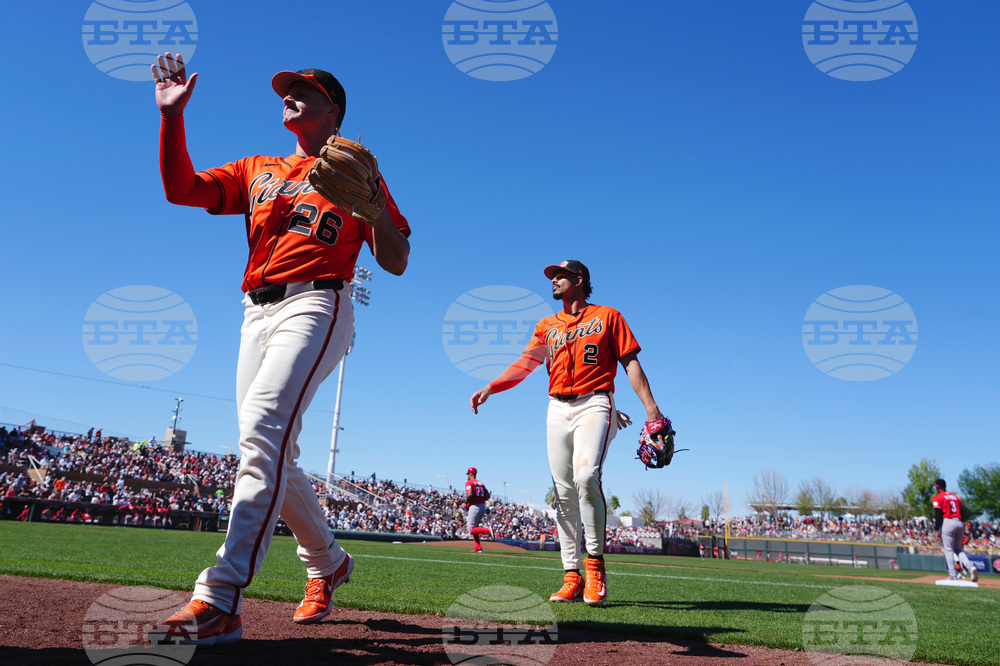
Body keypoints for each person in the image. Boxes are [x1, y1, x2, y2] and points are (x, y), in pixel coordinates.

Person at [148, 53, 411, 646]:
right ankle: (328, 561)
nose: (288, 96)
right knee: (271, 448)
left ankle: (220, 598)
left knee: (264, 428)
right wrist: (171, 118)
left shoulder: (358, 172)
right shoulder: (258, 168)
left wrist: (374, 211)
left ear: (333, 110)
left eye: (303, 90)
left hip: (317, 303)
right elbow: (181, 190)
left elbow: (396, 261)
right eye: (286, 90)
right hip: (255, 310)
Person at [470, 260, 669, 606]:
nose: (554, 280)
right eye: (552, 276)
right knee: (563, 493)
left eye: (560, 276)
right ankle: (572, 576)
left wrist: (651, 408)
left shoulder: (608, 316)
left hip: (595, 401)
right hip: (557, 407)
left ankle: (595, 567)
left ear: (579, 280)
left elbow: (630, 363)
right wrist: (492, 386)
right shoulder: (546, 325)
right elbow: (526, 363)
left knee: (586, 477)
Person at [931, 479, 978, 582]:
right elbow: (963, 513)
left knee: (948, 550)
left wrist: (936, 529)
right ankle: (971, 567)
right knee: (958, 549)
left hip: (947, 522)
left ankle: (953, 575)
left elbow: (938, 514)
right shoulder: (956, 497)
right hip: (959, 522)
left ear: (937, 487)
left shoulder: (938, 497)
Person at [464, 467, 494, 552]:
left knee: (471, 529)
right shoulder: (481, 483)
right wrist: (480, 498)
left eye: (468, 474)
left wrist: (466, 502)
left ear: (470, 474)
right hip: (482, 506)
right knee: (475, 528)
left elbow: (469, 494)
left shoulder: (469, 482)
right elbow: (487, 496)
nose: (468, 476)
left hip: (474, 506)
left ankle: (487, 530)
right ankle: (478, 547)